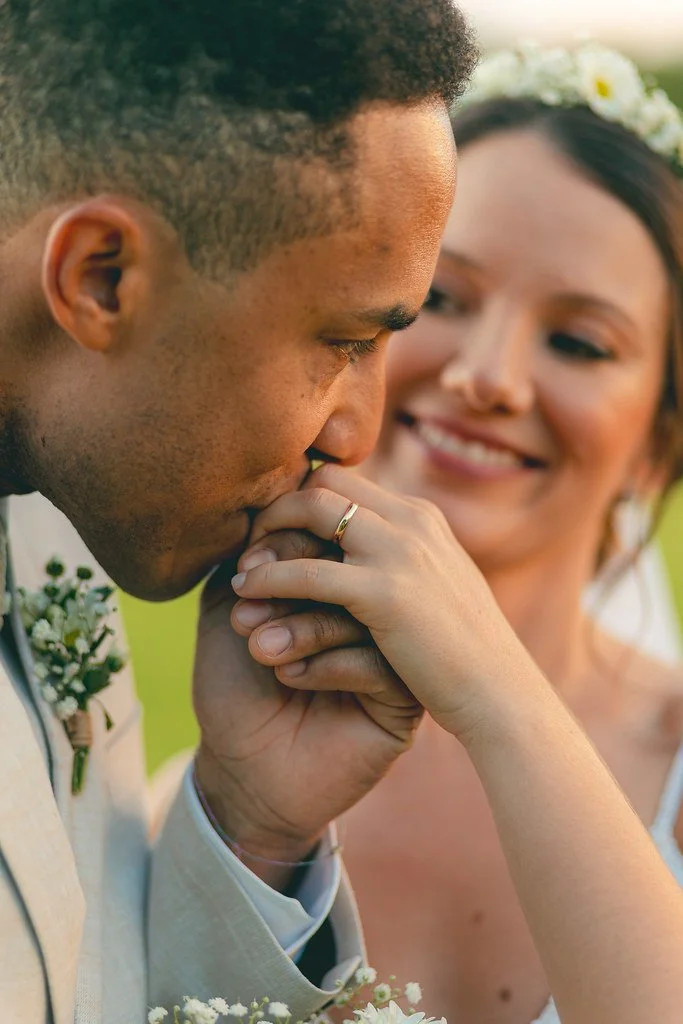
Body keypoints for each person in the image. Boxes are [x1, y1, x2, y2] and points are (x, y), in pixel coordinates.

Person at [0, 0, 478, 1019]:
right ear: (101, 278)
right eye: (344, 341)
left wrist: (257, 827)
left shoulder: (64, 524)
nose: (356, 434)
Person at [230, 42, 683, 1024]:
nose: (487, 376)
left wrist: (487, 682)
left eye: (577, 342)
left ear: (657, 442)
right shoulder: (231, 767)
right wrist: (253, 834)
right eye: (438, 298)